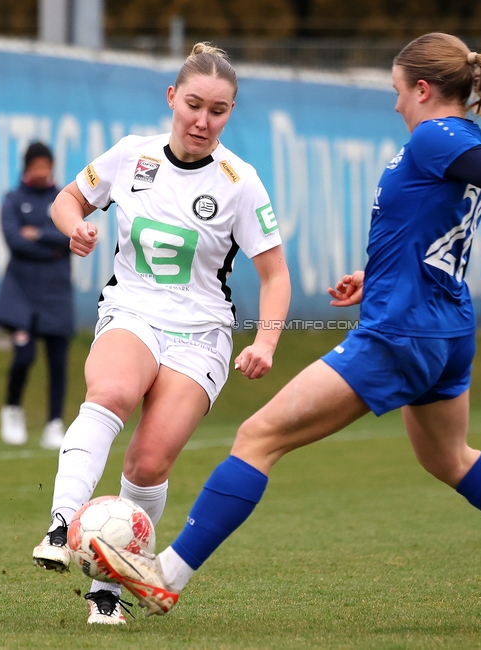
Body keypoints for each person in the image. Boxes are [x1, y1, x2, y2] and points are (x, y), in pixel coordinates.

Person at [89, 32, 481, 620]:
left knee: (257, 438)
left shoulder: (435, 135)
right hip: (445, 329)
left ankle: (166, 576)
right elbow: (432, 229)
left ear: (422, 89)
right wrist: (378, 274)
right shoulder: (456, 137)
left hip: (400, 333)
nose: (394, 104)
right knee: (449, 458)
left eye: (396, 91)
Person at [30, 43, 291, 626]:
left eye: (218, 111)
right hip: (132, 311)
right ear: (172, 98)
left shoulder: (240, 181)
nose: (203, 121)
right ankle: (60, 523)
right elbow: (68, 199)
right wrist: (76, 227)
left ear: (229, 114)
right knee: (111, 395)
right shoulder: (131, 156)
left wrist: (266, 342)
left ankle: (111, 589)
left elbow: (275, 275)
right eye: (193, 104)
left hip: (201, 336)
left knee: (148, 464)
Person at [0, 142, 73, 450]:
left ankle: (54, 422)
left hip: (56, 291)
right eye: (36, 166)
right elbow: (14, 240)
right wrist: (50, 247)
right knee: (24, 356)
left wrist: (38, 234)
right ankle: (12, 408)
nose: (42, 172)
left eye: (46, 166)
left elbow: (70, 235)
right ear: (26, 168)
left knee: (58, 361)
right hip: (21, 291)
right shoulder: (14, 200)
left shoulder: (62, 198)